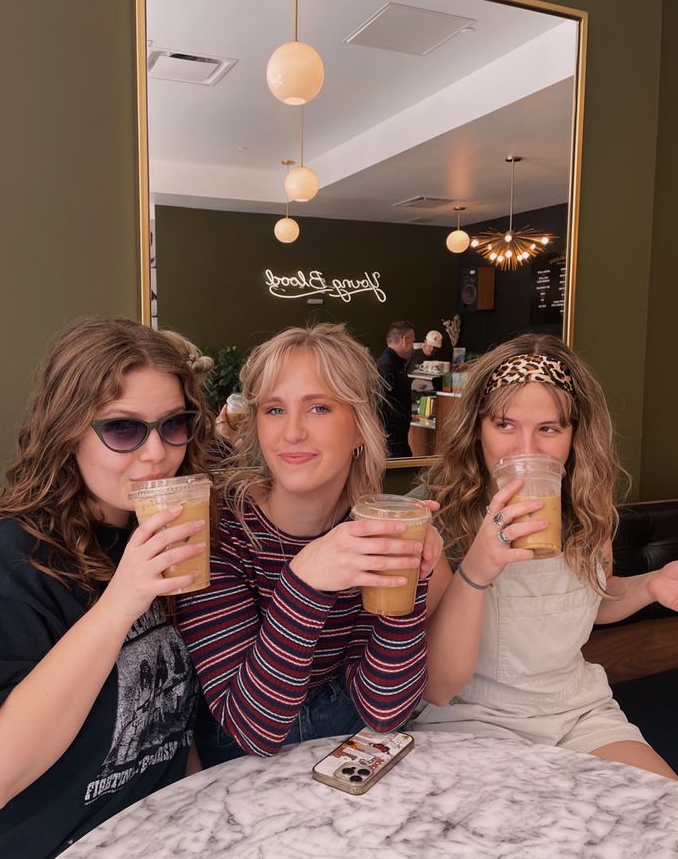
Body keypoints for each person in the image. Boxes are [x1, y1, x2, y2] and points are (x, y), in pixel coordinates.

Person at [0, 316, 215, 857]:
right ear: (66, 431)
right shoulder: (0, 571)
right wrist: (121, 602)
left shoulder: (152, 528)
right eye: (122, 429)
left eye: (174, 424)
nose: (156, 453)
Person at [409, 333, 678, 780]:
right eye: (505, 425)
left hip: (577, 713)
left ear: (576, 435)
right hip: (468, 723)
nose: (526, 451)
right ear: (477, 428)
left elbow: (594, 599)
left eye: (549, 429)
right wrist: (477, 569)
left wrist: (649, 586)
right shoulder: (436, 517)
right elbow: (437, 687)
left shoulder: (589, 506)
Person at [177, 323, 442, 767]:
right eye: (275, 410)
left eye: (319, 408)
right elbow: (251, 726)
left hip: (342, 757)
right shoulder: (217, 531)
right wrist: (305, 582)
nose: (292, 432)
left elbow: (384, 709)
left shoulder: (370, 530)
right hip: (239, 773)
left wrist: (410, 580)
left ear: (360, 427)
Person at [375, 320, 416, 457]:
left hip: (396, 441)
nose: (413, 347)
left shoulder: (393, 364)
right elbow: (379, 406)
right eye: (412, 342)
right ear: (404, 340)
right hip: (391, 445)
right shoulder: (387, 367)